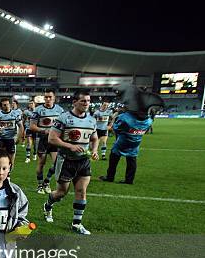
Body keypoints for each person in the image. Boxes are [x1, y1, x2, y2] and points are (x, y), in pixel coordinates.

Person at [43, 89, 99, 235]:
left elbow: (94, 138)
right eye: (83, 101)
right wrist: (70, 146)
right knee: (61, 193)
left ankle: (76, 223)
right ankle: (48, 205)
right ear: (74, 102)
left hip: (83, 161)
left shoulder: (92, 120)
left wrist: (94, 150)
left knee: (81, 191)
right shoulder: (64, 118)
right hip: (66, 161)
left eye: (88, 101)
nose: (86, 103)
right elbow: (52, 138)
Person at [99, 110, 153, 185]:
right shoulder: (148, 120)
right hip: (136, 142)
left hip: (123, 141)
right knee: (132, 160)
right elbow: (145, 130)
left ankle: (110, 177)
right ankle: (129, 180)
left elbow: (116, 128)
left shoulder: (125, 117)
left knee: (114, 157)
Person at [30, 90, 64, 194]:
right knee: (41, 163)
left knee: (57, 163)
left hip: (54, 140)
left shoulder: (60, 110)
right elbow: (32, 126)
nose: (48, 99)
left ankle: (46, 181)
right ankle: (40, 185)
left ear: (54, 98)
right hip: (42, 139)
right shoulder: (38, 110)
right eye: (46, 97)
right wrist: (44, 130)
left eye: (50, 97)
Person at [0, 97, 24, 168]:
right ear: (1, 106)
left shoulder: (15, 114)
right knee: (1, 160)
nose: (6, 106)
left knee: (11, 160)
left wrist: (19, 137)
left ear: (10, 104)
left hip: (11, 139)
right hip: (2, 139)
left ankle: (8, 176)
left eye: (7, 104)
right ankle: (4, 176)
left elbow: (21, 126)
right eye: (4, 105)